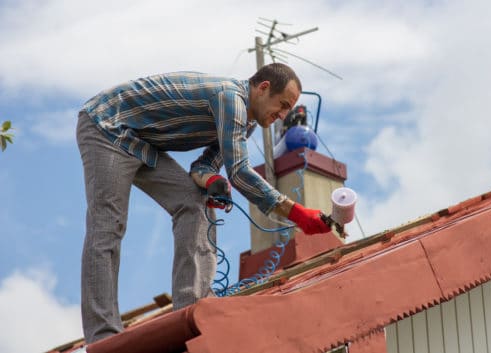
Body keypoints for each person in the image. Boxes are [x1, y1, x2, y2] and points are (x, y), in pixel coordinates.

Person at [76, 63, 331, 343]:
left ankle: (191, 312)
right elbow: (240, 172)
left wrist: (211, 181)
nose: (283, 115)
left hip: (141, 143)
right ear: (263, 88)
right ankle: (102, 335)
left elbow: (203, 167)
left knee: (195, 201)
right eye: (282, 105)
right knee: (108, 226)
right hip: (107, 126)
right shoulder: (230, 99)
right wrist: (298, 214)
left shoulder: (245, 125)